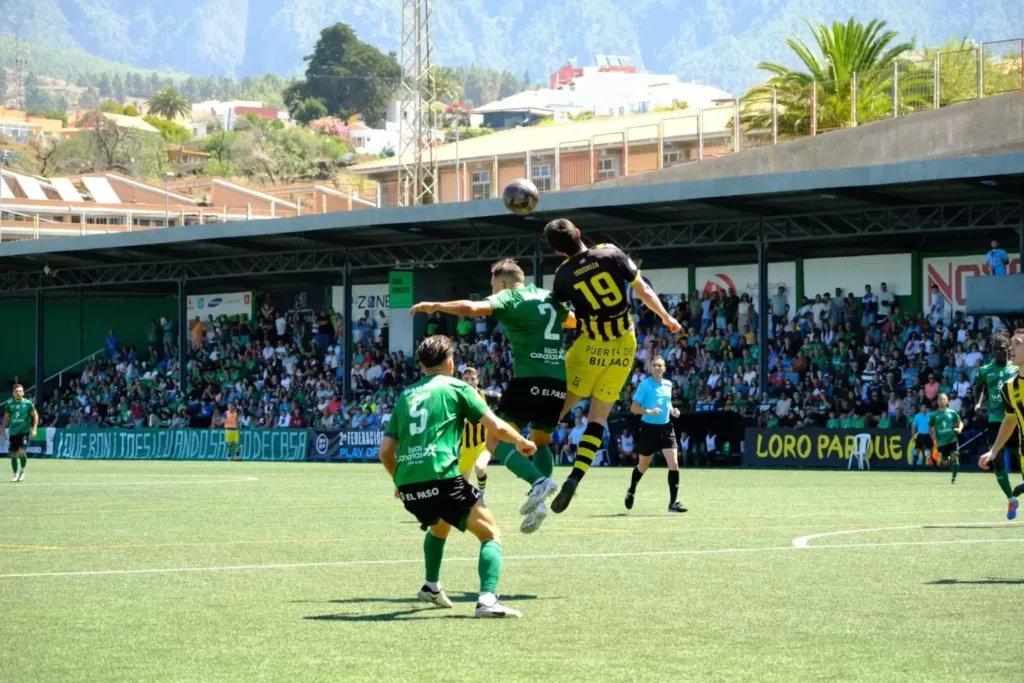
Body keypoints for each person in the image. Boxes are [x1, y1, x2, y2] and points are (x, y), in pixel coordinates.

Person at [379, 335, 536, 618]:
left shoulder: (406, 395)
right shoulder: (457, 388)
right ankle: (487, 601)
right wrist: (520, 440)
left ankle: (431, 586)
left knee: (440, 525)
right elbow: (495, 426)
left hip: (410, 488)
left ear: (422, 365)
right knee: (491, 535)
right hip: (442, 480)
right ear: (450, 363)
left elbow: (385, 451)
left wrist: (399, 483)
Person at [410, 258, 569, 533]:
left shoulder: (509, 296)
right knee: (541, 442)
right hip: (557, 381)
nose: (492, 292)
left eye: (493, 286)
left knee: (494, 439)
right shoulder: (547, 297)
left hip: (528, 378)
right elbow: (573, 320)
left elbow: (473, 308)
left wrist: (435, 306)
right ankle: (541, 498)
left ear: (504, 283)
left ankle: (538, 483)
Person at [543, 219, 681, 513]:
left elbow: (557, 313)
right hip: (622, 345)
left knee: (552, 415)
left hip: (588, 346)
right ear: (579, 233)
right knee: (597, 419)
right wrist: (666, 318)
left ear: (557, 252)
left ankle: (537, 477)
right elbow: (642, 290)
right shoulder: (611, 252)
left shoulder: (563, 274)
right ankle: (575, 477)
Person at [625, 357, 686, 512]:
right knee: (643, 466)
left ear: (664, 368)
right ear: (650, 368)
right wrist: (649, 412)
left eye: (660, 365)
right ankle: (631, 489)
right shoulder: (644, 385)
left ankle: (673, 503)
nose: (657, 368)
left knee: (674, 464)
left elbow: (668, 402)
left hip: (666, 428)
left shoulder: (668, 384)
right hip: (648, 429)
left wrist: (673, 410)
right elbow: (634, 407)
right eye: (654, 365)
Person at [979, 328, 1024, 520]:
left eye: (1017, 344)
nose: (1010, 348)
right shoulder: (1009, 387)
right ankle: (1011, 496)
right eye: (1011, 343)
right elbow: (1011, 419)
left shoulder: (1011, 374)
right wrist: (994, 450)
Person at [457, 367, 491, 495]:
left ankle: (482, 492)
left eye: (472, 379)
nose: (469, 382)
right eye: (466, 379)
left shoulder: (487, 396)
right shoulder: (457, 400)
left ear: (477, 381)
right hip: (465, 447)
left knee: (480, 467)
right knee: (461, 486)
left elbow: (505, 403)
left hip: (483, 444)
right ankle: (473, 500)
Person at [1, 384, 37, 482]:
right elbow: (6, 418)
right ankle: (15, 474)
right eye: (17, 391)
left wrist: (34, 429)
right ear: (13, 393)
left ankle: (22, 471)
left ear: (23, 392)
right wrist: (2, 430)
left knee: (21, 452)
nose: (19, 393)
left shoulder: (28, 403)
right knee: (13, 454)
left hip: (24, 432)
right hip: (13, 432)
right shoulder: (9, 404)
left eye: (20, 391)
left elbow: (35, 415)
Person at [929, 393, 963, 484]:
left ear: (947, 401)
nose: (942, 401)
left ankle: (954, 478)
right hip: (941, 442)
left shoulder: (952, 413)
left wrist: (959, 429)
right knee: (946, 463)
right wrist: (932, 435)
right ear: (937, 401)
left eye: (944, 399)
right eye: (940, 399)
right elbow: (930, 426)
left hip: (952, 439)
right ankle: (942, 461)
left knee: (955, 458)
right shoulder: (933, 414)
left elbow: (960, 422)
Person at [909, 403, 932, 470]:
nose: (923, 409)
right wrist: (913, 436)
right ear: (920, 409)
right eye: (922, 407)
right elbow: (913, 426)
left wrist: (933, 435)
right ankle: (914, 465)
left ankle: (933, 465)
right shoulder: (917, 416)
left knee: (930, 450)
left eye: (925, 407)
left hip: (928, 435)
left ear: (927, 409)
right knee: (917, 450)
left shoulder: (930, 415)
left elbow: (934, 425)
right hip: (920, 435)